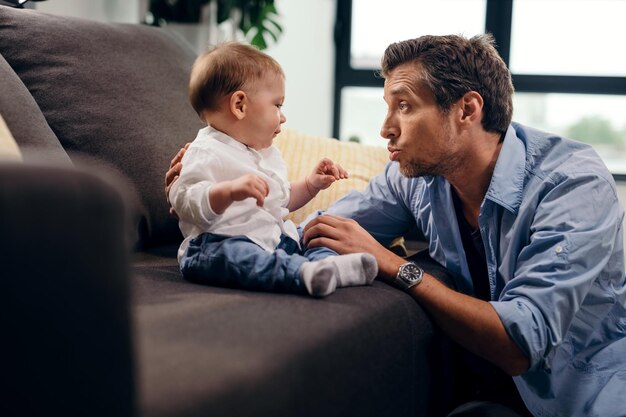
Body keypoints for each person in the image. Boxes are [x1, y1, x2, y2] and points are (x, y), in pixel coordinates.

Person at [166, 35, 625, 416]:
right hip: (490, 391)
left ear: (467, 110)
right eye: (387, 107)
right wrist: (218, 197)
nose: (385, 128)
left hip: (587, 394)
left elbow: (519, 343)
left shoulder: (573, 185)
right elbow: (324, 234)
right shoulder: (416, 180)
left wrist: (394, 265)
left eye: (403, 106)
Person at [167, 42, 377, 298]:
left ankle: (327, 263)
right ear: (240, 105)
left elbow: (282, 199)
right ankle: (302, 273)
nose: (283, 116)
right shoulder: (204, 151)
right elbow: (186, 201)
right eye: (277, 105)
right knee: (234, 256)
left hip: (273, 239)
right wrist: (230, 191)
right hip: (216, 243)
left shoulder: (263, 153)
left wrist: (311, 185)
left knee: (313, 227)